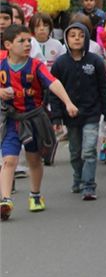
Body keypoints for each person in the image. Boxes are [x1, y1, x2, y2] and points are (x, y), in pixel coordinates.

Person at [0, 24, 79, 220]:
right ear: (8, 45)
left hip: (34, 119)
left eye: (29, 40)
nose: (27, 44)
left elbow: (53, 82)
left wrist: (67, 102)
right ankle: (5, 200)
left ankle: (35, 194)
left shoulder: (36, 65)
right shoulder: (1, 64)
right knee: (9, 160)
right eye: (22, 41)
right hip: (11, 119)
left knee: (34, 159)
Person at [50, 21, 106, 201]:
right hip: (70, 115)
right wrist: (56, 117)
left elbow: (104, 87)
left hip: (92, 113)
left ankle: (89, 185)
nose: (77, 39)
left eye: (81, 35)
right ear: (66, 39)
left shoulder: (95, 61)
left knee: (89, 150)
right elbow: (54, 92)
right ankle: (78, 177)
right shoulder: (60, 64)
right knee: (75, 152)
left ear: (86, 38)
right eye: (72, 35)